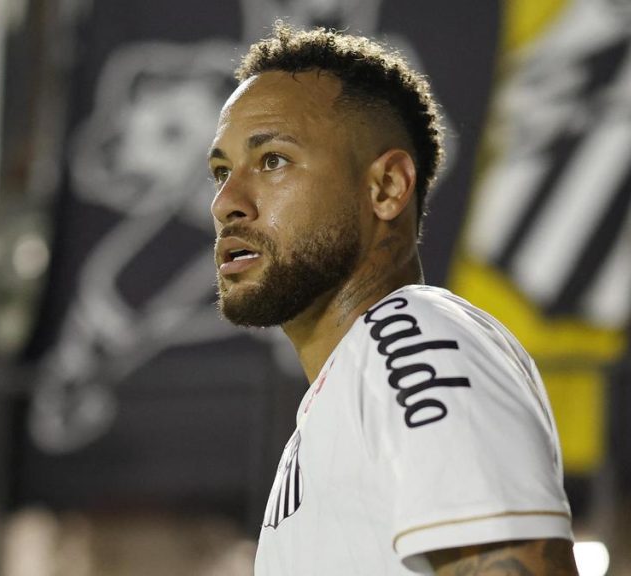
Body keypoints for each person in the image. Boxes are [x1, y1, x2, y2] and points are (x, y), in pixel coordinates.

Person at [208, 23, 578, 576]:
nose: (226, 202)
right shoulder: (339, 403)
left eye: (273, 161)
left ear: (386, 188)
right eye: (220, 171)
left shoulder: (412, 335)